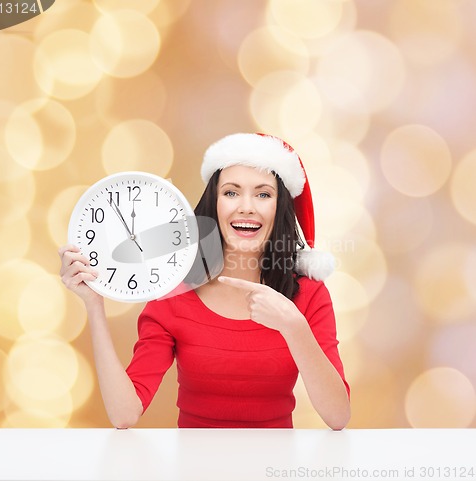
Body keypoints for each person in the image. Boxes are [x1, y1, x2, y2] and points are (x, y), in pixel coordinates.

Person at [59, 133, 350, 430]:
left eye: (263, 194)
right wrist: (94, 304)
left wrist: (294, 326)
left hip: (277, 468)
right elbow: (124, 414)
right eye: (231, 193)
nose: (246, 207)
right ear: (214, 202)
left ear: (280, 207)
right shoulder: (174, 292)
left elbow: (338, 417)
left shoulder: (309, 294)